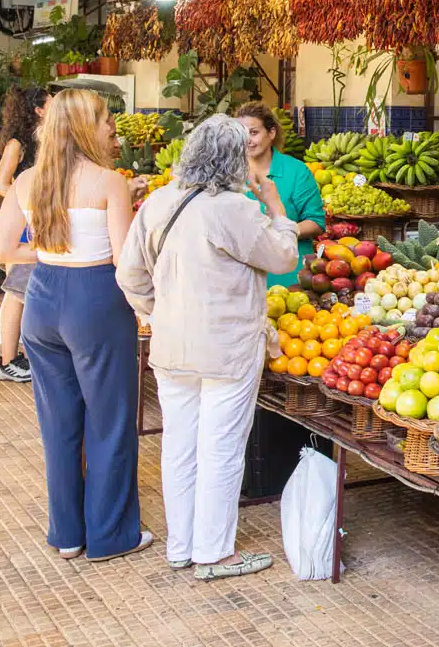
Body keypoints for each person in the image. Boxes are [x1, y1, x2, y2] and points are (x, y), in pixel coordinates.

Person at [117, 115, 299, 580]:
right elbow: (282, 257)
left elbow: (128, 275)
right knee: (220, 447)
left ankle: (181, 547)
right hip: (228, 349)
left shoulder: (158, 201)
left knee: (179, 445)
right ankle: (214, 554)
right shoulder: (234, 208)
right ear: (235, 158)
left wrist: (160, 312)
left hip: (172, 346)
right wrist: (277, 208)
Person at [0, 89, 150, 562]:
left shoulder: (27, 181)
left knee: (58, 425)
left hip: (42, 301)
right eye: (105, 120)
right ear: (84, 126)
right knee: (110, 421)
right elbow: (124, 262)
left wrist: (49, 254)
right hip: (96, 300)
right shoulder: (109, 181)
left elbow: (2, 251)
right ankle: (110, 536)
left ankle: (67, 535)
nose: (111, 129)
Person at [0, 86, 49, 382]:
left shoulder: (48, 140)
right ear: (38, 109)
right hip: (24, 224)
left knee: (30, 293)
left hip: (39, 221)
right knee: (17, 293)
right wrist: (25, 198)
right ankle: (8, 360)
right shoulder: (19, 143)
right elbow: (0, 183)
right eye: (50, 102)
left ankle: (25, 354)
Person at [235, 103, 326, 289]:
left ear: (271, 133)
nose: (247, 140)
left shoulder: (297, 171)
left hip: (288, 275)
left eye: (253, 132)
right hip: (243, 277)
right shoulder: (230, 173)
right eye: (241, 134)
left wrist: (280, 233)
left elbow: (316, 222)